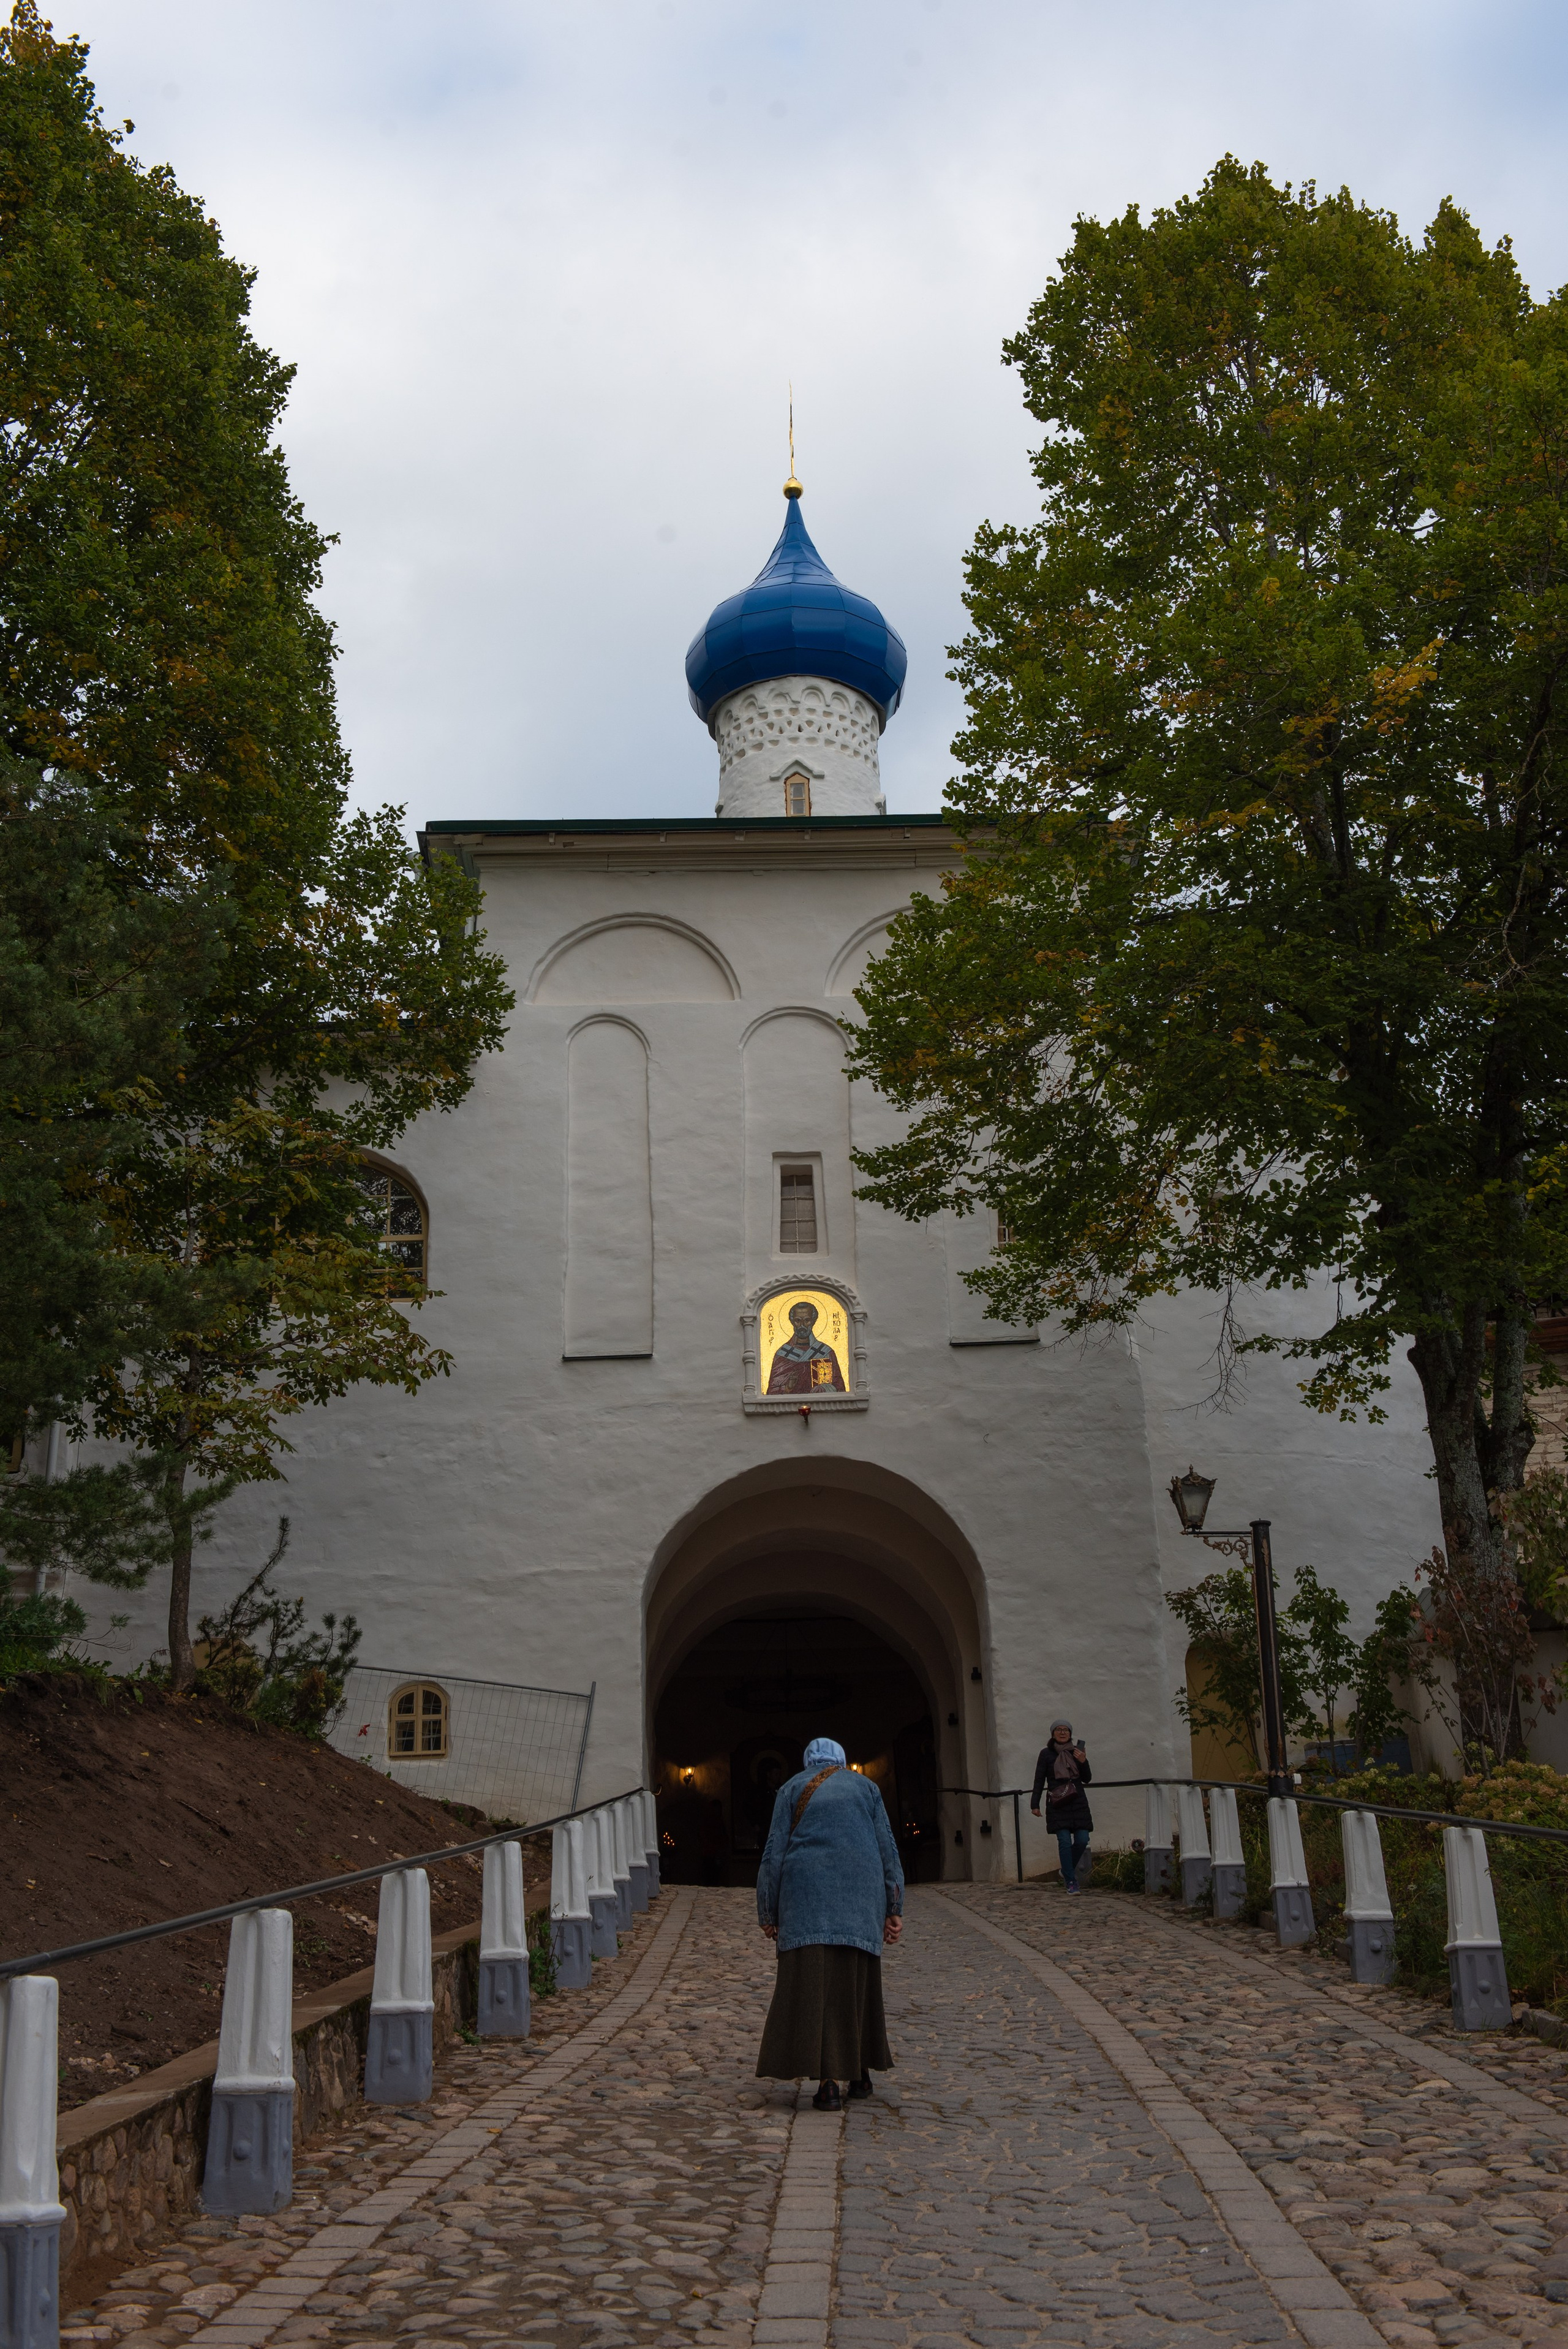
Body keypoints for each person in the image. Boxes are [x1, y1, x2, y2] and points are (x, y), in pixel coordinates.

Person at [755, 1735, 904, 2111]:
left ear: (809, 1762)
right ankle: (860, 2074)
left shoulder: (791, 1788)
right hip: (860, 1898)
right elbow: (887, 1846)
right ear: (841, 1759)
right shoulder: (866, 1787)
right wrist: (894, 1906)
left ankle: (827, 2086)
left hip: (806, 1900)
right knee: (857, 1983)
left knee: (814, 1987)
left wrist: (768, 1912)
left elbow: (774, 1853)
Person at [1031, 1720, 1093, 1891]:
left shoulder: (1077, 1752)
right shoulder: (1046, 1754)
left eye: (1066, 1730)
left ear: (1070, 1734)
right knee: (1065, 1841)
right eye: (1059, 1730)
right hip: (1058, 1802)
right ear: (1053, 1734)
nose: (1062, 1732)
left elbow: (1087, 1778)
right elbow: (1039, 1780)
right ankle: (1071, 1881)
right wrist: (1034, 1804)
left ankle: (1065, 1872)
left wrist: (1083, 1761)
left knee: (1082, 1840)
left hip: (1078, 1801)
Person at [765, 1301, 847, 1394]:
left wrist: (824, 1389)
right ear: (792, 1322)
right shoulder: (783, 1354)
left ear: (813, 1321)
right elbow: (771, 1392)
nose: (802, 1326)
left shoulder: (825, 1352)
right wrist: (788, 1388)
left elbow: (840, 1387)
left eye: (807, 1320)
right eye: (798, 1321)